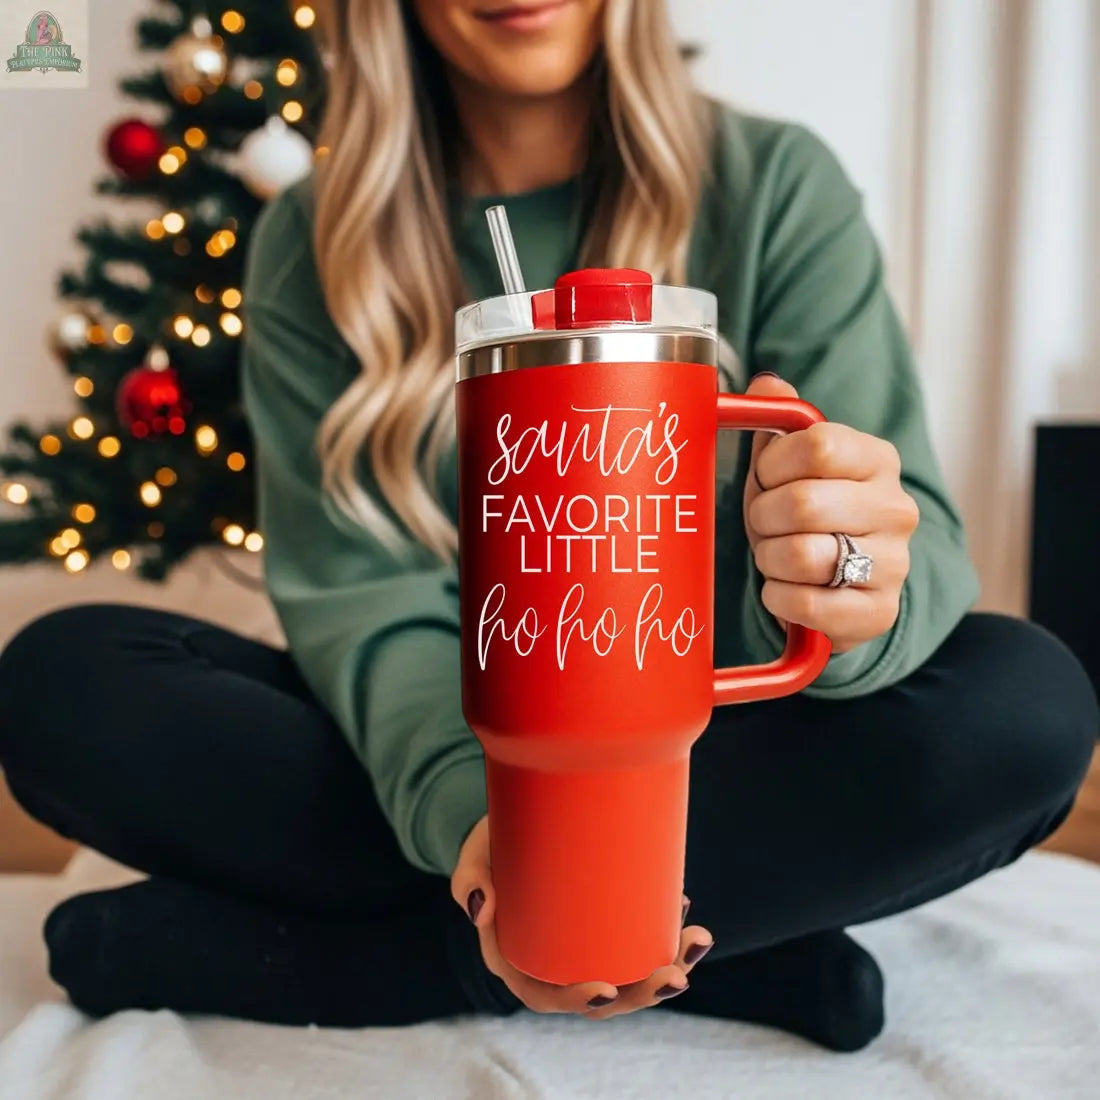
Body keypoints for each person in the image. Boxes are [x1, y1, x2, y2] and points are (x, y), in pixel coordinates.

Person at [0, 0, 1095, 1056]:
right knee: (64, 679)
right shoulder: (315, 239)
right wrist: (485, 825)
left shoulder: (772, 187)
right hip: (447, 738)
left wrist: (853, 590)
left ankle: (383, 957)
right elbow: (365, 603)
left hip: (706, 747)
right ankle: (718, 942)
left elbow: (913, 548)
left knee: (1024, 705)